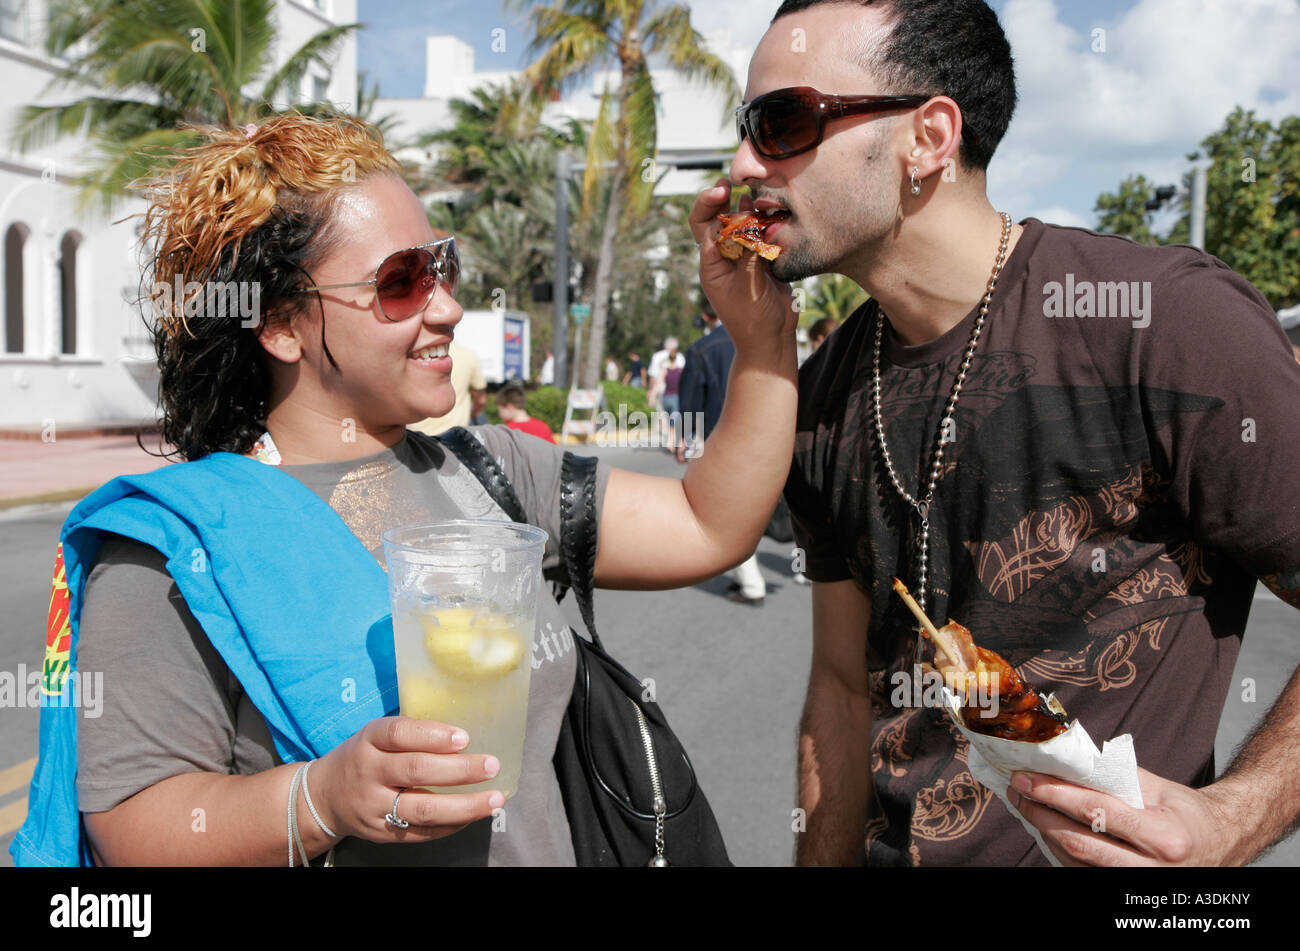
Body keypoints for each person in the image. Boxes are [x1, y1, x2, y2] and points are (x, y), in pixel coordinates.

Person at [11, 112, 798, 866]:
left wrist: (759, 329)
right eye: (401, 281)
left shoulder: (494, 468)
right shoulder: (178, 547)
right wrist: (323, 798)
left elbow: (708, 524)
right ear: (282, 324)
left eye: (442, 266)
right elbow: (132, 824)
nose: (448, 307)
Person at [735, 0, 1300, 866]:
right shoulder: (820, 393)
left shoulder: (1169, 325)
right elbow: (844, 690)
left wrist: (1234, 818)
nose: (744, 164)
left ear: (927, 138)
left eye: (781, 122)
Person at [678, 298, 768, 605]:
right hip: (767, 437)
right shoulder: (763, 338)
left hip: (719, 441)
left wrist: (684, 440)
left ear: (706, 315)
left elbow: (690, 404)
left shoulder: (702, 349)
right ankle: (745, 576)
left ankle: (752, 584)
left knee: (728, 513)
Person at [409, 340, 486, 435]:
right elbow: (481, 399)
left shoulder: (410, 355)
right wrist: (475, 412)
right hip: (454, 436)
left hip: (415, 435)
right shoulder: (469, 355)